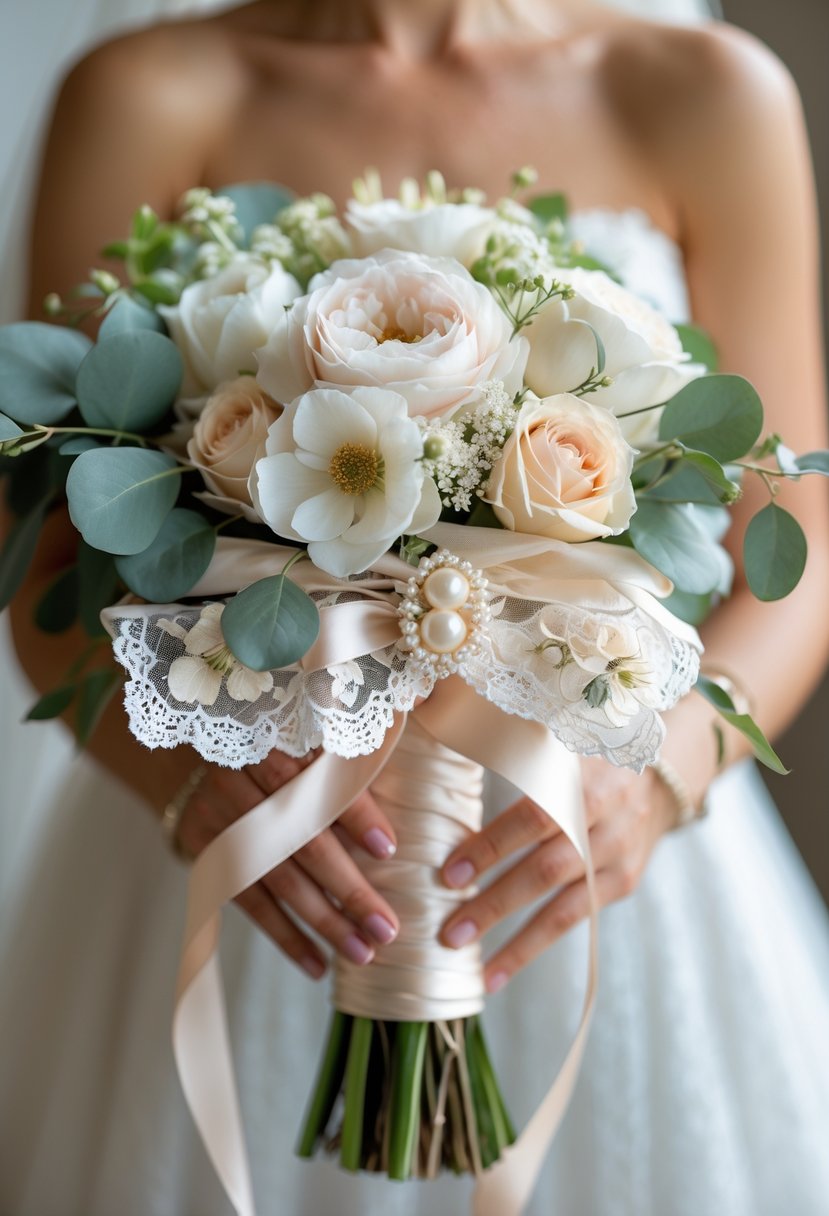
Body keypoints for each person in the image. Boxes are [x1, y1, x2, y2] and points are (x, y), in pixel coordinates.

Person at [2, 1, 829, 1213]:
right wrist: (178, 779)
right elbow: (47, 562)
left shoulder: (705, 91)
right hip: (259, 856)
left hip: (585, 849)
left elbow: (796, 541)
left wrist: (661, 776)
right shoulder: (144, 93)